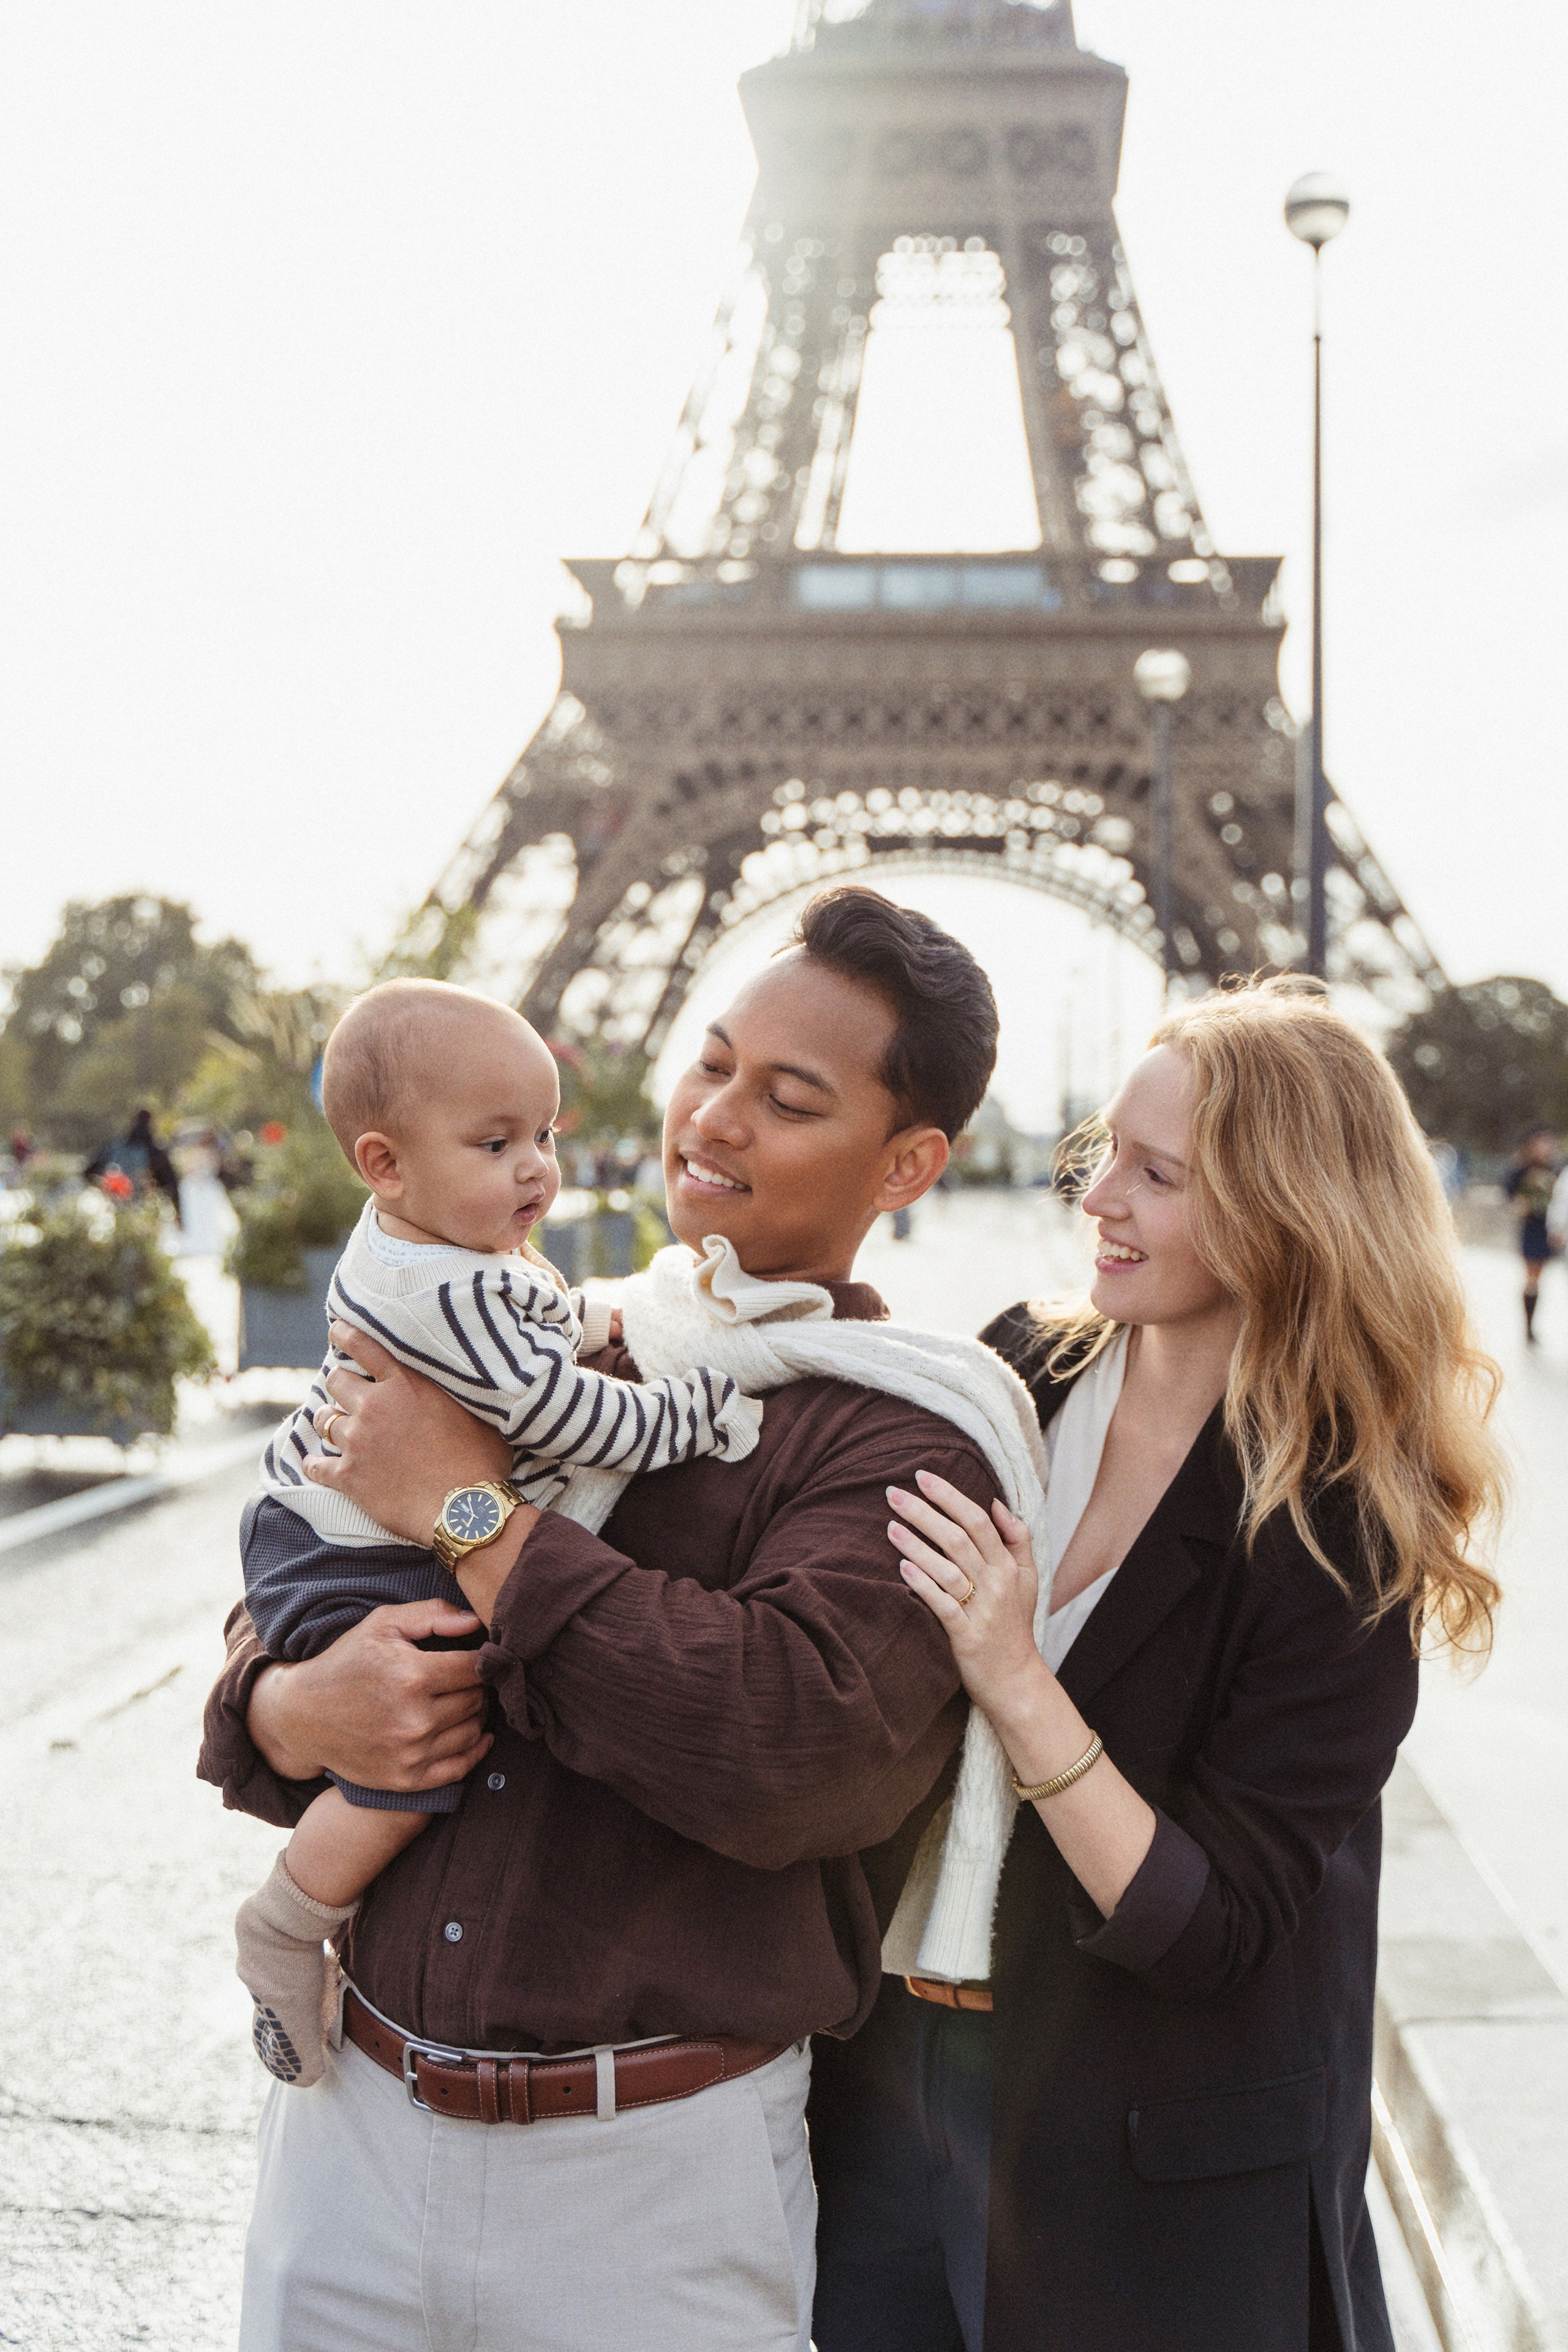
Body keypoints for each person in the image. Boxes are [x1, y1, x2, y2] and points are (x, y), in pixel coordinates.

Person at [198, 889, 1022, 2352]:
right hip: (351, 2130)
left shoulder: (902, 1441)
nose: (713, 1117)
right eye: (710, 1063)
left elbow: (782, 1750)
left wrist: (468, 1517)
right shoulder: (553, 1332)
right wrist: (286, 1706)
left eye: (787, 1099)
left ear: (906, 1161)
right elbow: (306, 1562)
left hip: (648, 2186)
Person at [808, 974, 1506, 2352]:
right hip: (884, 2091)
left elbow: (1214, 1927)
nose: (1097, 1198)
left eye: (1156, 1174)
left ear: (1286, 1210)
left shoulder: (1340, 1528)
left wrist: (1015, 1678)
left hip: (1146, 2173)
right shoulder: (1021, 1371)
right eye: (1103, 1152)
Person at [233, 979, 766, 2092]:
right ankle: (286, 1922)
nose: (536, 1169)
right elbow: (564, 1413)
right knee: (417, 1742)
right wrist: (698, 1412)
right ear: (385, 1164)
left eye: (545, 1136)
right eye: (496, 1144)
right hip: (340, 1545)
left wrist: (610, 1317)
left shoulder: (441, 1238)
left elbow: (540, 1309)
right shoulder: (445, 1295)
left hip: (320, 1514)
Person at [1502, 1125, 1559, 1343]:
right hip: (1531, 1226)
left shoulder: (1555, 1169)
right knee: (1532, 1277)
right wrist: (1519, 1205)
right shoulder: (1521, 1169)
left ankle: (1532, 1321)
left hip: (1550, 1226)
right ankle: (1529, 1326)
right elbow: (1509, 1194)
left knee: (1539, 1276)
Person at [84, 1105, 181, 1220]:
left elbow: (88, 1172)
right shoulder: (155, 1152)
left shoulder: (114, 1147)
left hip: (111, 1208)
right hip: (140, 1211)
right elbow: (171, 1186)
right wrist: (178, 1214)